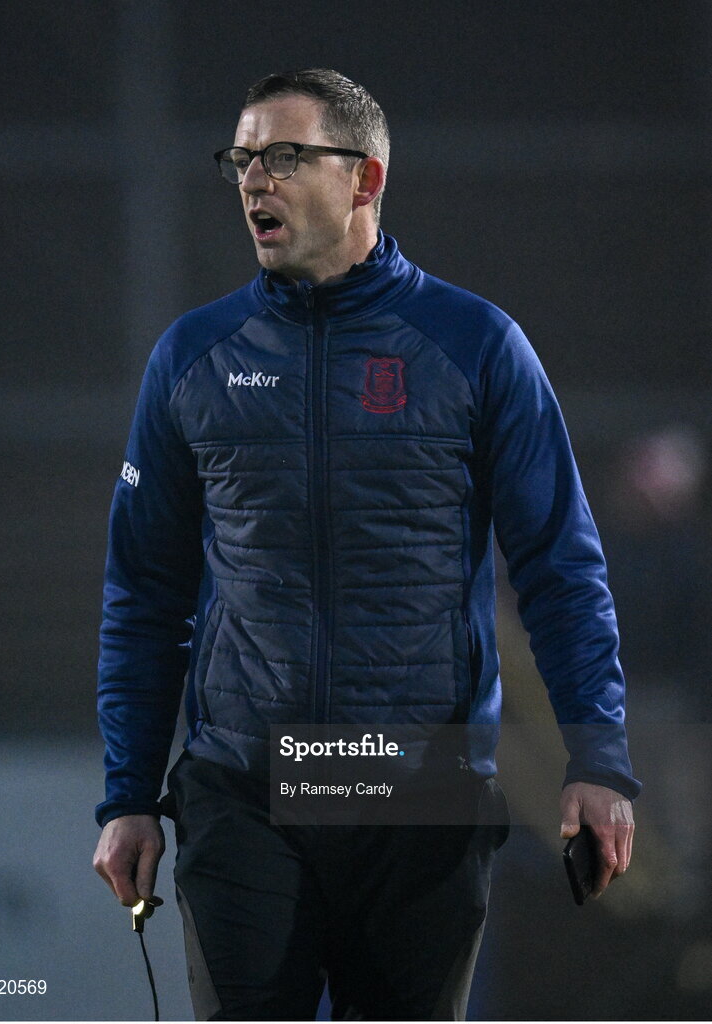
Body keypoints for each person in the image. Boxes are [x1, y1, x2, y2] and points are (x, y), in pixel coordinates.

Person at [93, 68, 639, 1021]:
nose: (254, 179)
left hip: (416, 786)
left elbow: (559, 565)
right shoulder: (193, 358)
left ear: (366, 180)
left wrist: (598, 762)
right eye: (242, 158)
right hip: (243, 787)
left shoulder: (473, 345)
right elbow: (145, 591)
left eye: (285, 155)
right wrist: (127, 795)